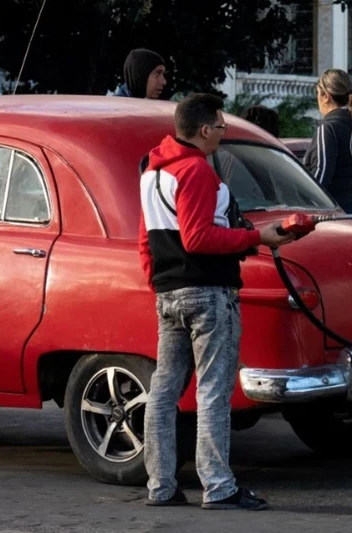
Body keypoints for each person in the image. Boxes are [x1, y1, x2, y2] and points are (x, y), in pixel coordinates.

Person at [138, 93, 294, 510]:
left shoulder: (152, 172)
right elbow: (199, 238)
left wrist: (156, 282)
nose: (224, 133)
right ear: (204, 130)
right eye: (221, 127)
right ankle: (219, 486)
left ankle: (160, 484)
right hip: (208, 291)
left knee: (164, 390)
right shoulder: (196, 172)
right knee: (212, 390)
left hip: (169, 292)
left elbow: (145, 241)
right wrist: (257, 237)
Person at [303, 68, 352, 223]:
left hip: (339, 213)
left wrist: (304, 204)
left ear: (325, 96)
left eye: (317, 93)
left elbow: (321, 175)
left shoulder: (327, 128)